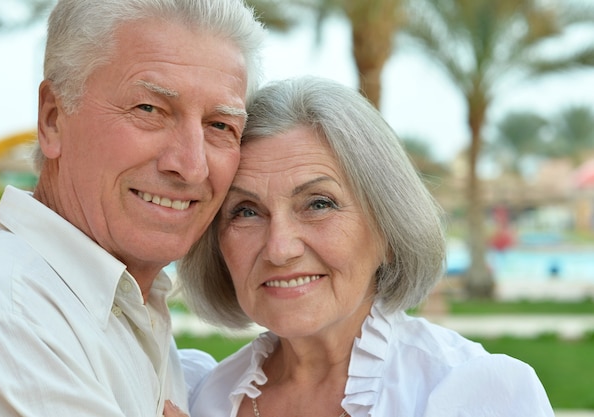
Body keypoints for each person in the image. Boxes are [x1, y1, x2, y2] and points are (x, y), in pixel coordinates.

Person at [178, 76, 555, 416]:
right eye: (245, 211)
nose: (279, 248)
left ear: (388, 231)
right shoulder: (204, 397)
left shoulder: (473, 394)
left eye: (318, 204)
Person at [0, 0, 264, 416]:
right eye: (150, 109)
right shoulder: (11, 322)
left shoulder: (118, 302)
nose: (192, 166)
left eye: (220, 126)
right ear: (53, 118)